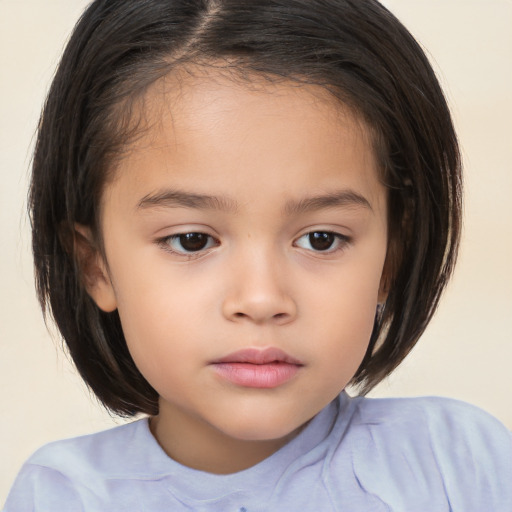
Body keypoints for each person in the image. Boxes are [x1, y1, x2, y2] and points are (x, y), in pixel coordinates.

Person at [3, 0, 511, 510]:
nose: (262, 299)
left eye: (321, 239)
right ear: (96, 265)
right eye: (192, 240)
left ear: (390, 259)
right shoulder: (65, 495)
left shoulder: (457, 464)